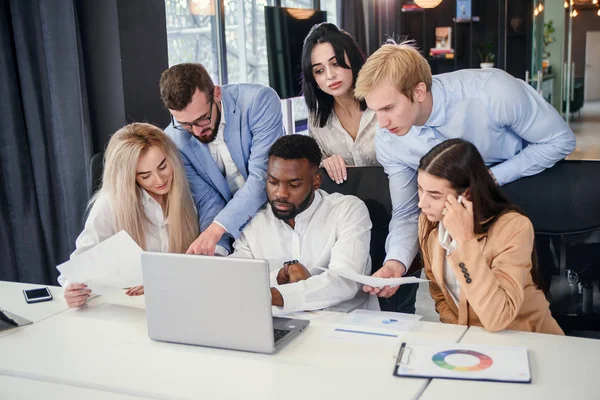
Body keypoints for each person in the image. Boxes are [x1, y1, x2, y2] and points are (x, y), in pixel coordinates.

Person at [354, 41, 576, 298]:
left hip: (525, 205)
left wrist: (492, 177)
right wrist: (395, 263)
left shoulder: (493, 92)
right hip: (461, 233)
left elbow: (560, 140)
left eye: (388, 108)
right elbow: (407, 210)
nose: (381, 124)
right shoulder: (389, 138)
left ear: (419, 91)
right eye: (375, 111)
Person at [415, 139, 563, 334]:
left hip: (524, 337)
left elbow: (498, 317)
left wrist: (465, 242)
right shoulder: (429, 222)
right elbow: (441, 295)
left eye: (434, 196)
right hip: (474, 343)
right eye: (420, 190)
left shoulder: (513, 227)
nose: (422, 204)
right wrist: (460, 333)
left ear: (466, 195)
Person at [232, 135, 379, 313]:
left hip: (346, 328)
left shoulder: (348, 210)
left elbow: (345, 281)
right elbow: (237, 279)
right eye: (273, 182)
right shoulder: (255, 222)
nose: (280, 193)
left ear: (316, 181)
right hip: (278, 327)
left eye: (293, 185)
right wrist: (278, 278)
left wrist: (277, 295)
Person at [59, 123, 199, 308]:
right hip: (134, 306)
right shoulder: (110, 203)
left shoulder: (193, 190)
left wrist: (160, 280)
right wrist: (72, 289)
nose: (159, 180)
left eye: (163, 166)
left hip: (185, 299)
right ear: (130, 177)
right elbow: (78, 265)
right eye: (145, 175)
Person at [160, 63, 284, 257]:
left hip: (280, 216)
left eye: (202, 119)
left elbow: (262, 178)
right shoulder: (174, 140)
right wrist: (217, 251)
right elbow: (208, 201)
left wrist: (216, 230)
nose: (196, 131)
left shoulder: (259, 101)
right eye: (185, 124)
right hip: (232, 232)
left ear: (216, 94)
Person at [302, 22, 380, 185]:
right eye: (319, 70)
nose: (330, 75)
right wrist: (324, 165)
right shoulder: (317, 120)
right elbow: (314, 170)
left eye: (335, 63)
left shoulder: (382, 104)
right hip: (347, 204)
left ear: (352, 59)